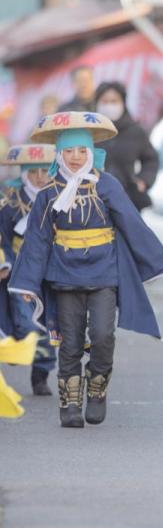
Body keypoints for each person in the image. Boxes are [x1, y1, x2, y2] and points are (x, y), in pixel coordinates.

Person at [8, 111, 163, 429]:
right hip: (64, 275)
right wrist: (28, 282)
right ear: (59, 153)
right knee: (69, 341)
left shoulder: (106, 185)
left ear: (91, 153)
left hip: (104, 274)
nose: (74, 157)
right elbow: (38, 240)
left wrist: (151, 261)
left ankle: (97, 388)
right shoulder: (49, 194)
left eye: (81, 151)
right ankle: (70, 403)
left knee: (102, 335)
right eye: (68, 151)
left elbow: (130, 222)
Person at [0, 143, 57, 394]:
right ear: (25, 174)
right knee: (25, 320)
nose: (40, 177)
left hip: (51, 272)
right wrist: (7, 261)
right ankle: (19, 348)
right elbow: (2, 237)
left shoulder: (59, 199)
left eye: (46, 172)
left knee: (52, 323)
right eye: (34, 172)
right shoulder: (10, 203)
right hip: (20, 273)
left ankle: (41, 373)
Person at [94, 81, 159, 210]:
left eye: (114, 101)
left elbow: (151, 159)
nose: (109, 106)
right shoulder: (89, 130)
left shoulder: (135, 131)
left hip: (127, 199)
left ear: (123, 103)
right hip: (94, 198)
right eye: (105, 101)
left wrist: (143, 180)